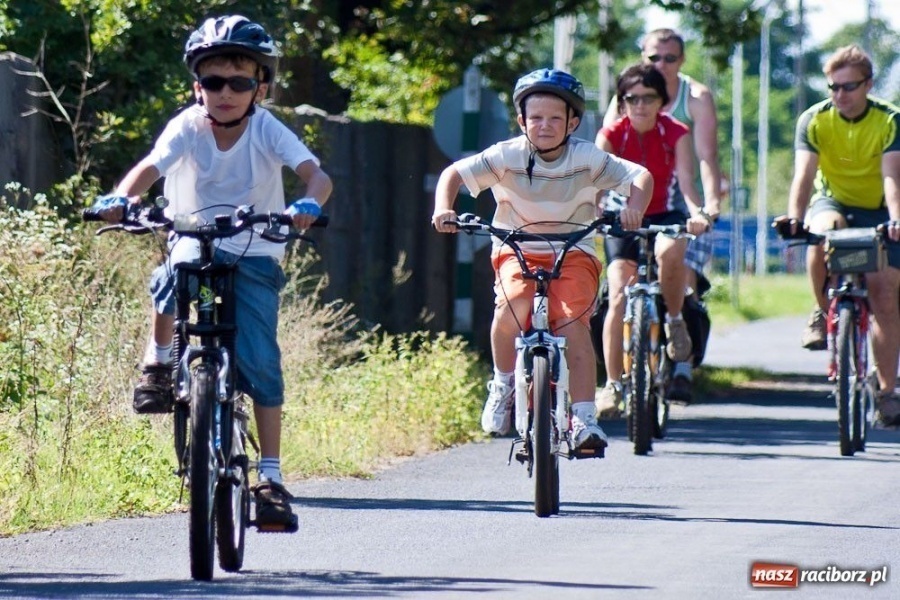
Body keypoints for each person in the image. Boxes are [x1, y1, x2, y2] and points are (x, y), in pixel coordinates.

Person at [93, 15, 333, 526]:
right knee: (173, 273)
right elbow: (151, 167)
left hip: (255, 249)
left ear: (260, 87)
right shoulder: (187, 126)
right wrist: (122, 198)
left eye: (239, 83)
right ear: (197, 87)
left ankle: (271, 477)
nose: (226, 92)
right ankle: (158, 364)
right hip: (194, 237)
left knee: (261, 360)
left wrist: (307, 204)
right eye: (214, 81)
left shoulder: (266, 129)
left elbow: (316, 175)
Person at [432, 68, 653, 452]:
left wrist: (635, 208)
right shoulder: (506, 155)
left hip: (574, 250)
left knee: (571, 323)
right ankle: (503, 384)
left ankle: (583, 419)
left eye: (554, 118)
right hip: (516, 246)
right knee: (511, 309)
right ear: (521, 121)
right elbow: (453, 174)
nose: (545, 125)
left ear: (573, 122)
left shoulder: (586, 157)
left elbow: (641, 177)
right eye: (535, 117)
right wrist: (443, 209)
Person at [776, 44, 900, 426]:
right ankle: (823, 309)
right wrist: (795, 218)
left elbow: (892, 177)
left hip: (880, 208)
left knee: (884, 295)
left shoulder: (889, 119)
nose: (840, 95)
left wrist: (896, 220)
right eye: (833, 87)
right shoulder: (814, 119)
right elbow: (803, 176)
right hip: (833, 202)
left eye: (849, 87)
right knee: (821, 236)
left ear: (868, 85)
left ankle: (887, 392)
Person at [603, 28, 723, 404]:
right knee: (618, 292)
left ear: (662, 102)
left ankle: (674, 322)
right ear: (623, 102)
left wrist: (701, 211)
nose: (640, 106)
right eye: (632, 99)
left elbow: (689, 178)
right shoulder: (612, 133)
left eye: (649, 99)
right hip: (621, 215)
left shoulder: (678, 127)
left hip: (666, 212)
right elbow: (594, 180)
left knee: (672, 256)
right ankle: (612, 386)